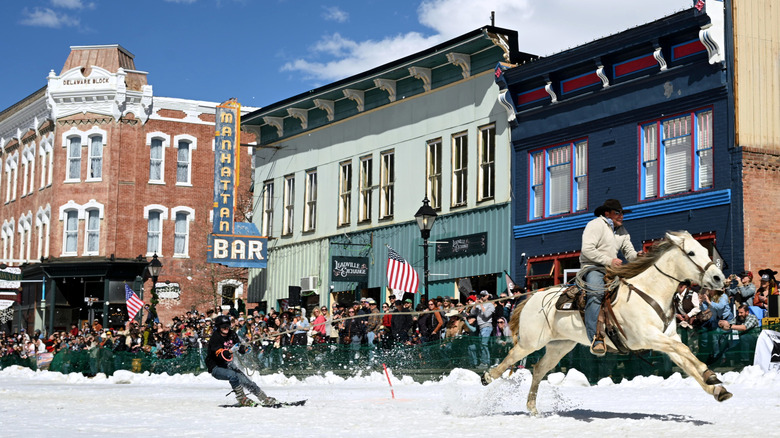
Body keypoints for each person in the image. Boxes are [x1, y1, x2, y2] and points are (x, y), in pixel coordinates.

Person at [580, 199, 641, 356]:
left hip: (612, 269)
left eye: (622, 213)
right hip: (593, 267)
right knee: (595, 293)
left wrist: (639, 256)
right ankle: (596, 337)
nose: (621, 216)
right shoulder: (595, 225)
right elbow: (587, 250)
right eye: (617, 213)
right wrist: (609, 261)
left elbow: (630, 254)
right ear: (607, 213)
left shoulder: (622, 231)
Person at [206, 315, 277, 407]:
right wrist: (230, 351)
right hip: (216, 367)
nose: (226, 328)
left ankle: (264, 398)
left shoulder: (232, 334)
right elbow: (219, 356)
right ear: (219, 327)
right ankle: (242, 398)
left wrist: (244, 349)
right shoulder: (215, 338)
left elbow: (239, 347)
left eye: (228, 326)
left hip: (228, 365)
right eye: (223, 327)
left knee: (247, 381)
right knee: (233, 375)